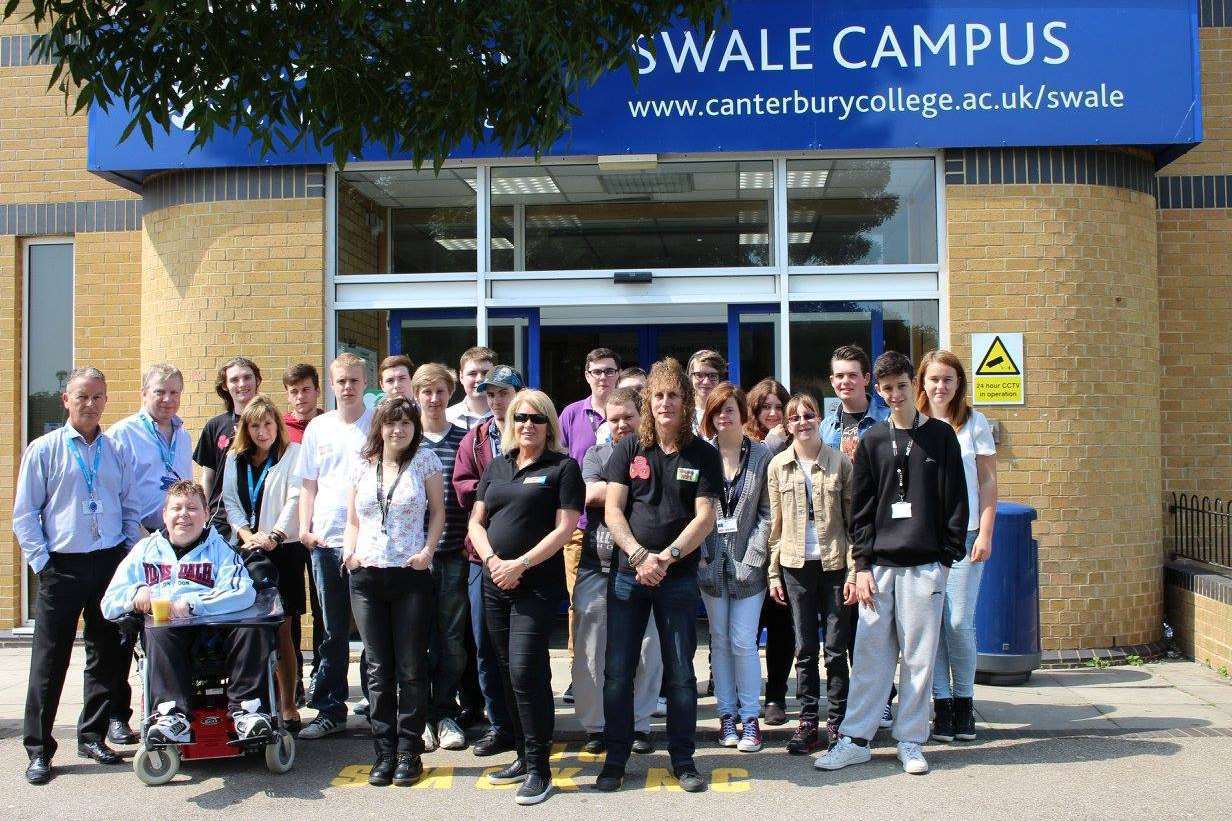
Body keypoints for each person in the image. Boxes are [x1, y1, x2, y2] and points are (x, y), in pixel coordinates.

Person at [815, 351, 967, 776]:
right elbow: (860, 512)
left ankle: (911, 741)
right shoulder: (874, 441)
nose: (896, 394)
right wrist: (860, 565)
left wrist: (947, 558)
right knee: (869, 656)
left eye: (902, 386)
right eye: (888, 388)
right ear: (878, 391)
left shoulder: (939, 436)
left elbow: (956, 501)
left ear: (911, 387)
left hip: (925, 566)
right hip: (878, 568)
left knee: (918, 658)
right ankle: (856, 739)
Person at [598, 358, 721, 794]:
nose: (666, 402)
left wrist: (665, 558)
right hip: (629, 575)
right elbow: (613, 509)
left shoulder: (702, 454)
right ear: (648, 402)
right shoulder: (629, 449)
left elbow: (704, 517)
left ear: (686, 401)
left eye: (674, 395)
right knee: (618, 671)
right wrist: (637, 555)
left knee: (680, 672)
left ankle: (684, 759)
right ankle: (615, 759)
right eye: (658, 395)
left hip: (678, 576)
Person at [14, 367, 142, 783]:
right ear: (65, 400)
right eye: (82, 396)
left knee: (106, 654)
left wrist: (126, 551)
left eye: (98, 396)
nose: (90, 404)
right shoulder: (44, 449)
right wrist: (43, 564)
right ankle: (39, 749)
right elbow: (25, 514)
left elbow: (127, 505)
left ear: (106, 401)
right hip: (61, 566)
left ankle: (92, 735)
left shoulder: (115, 449)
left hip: (106, 562)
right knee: (49, 661)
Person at [468, 390, 583, 805]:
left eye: (536, 419)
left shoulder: (563, 468)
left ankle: (540, 768)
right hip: (493, 581)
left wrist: (519, 564)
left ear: (549, 424)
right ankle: (521, 754)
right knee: (503, 669)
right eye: (520, 418)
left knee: (525, 671)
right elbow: (476, 522)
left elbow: (565, 529)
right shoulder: (497, 466)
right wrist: (494, 561)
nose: (527, 425)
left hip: (535, 584)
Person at [101, 481, 271, 746]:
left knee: (250, 625)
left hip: (216, 637)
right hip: (168, 638)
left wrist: (193, 604)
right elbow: (109, 602)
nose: (183, 515)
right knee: (160, 626)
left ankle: (247, 712)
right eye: (176, 508)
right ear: (164, 514)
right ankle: (172, 717)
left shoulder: (221, 550)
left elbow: (243, 592)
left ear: (206, 513)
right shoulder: (144, 551)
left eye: (192, 508)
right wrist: (135, 595)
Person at [342, 397, 445, 786]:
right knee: (377, 668)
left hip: (410, 573)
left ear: (415, 427)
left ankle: (408, 750)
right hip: (366, 575)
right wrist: (348, 553)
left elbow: (437, 512)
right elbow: (353, 518)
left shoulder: (425, 462)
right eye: (390, 423)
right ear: (379, 426)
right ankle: (383, 751)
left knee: (411, 667)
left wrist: (427, 551)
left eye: (405, 423)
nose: (397, 430)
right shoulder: (361, 463)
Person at [106, 362, 194, 745]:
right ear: (144, 393)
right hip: (137, 543)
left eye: (174, 392)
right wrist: (139, 541)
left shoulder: (183, 434)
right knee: (125, 636)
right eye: (159, 391)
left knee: (169, 625)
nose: (167, 399)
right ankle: (116, 715)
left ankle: (173, 707)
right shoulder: (123, 434)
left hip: (175, 544)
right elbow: (118, 496)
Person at [573, 387, 662, 756]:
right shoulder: (595, 454)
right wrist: (632, 491)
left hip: (647, 565)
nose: (622, 424)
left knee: (646, 647)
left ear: (642, 417)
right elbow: (588, 494)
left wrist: (614, 491)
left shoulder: (657, 454)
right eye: (614, 419)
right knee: (592, 649)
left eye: (629, 417)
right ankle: (596, 727)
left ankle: (640, 724)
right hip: (598, 563)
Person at [916, 350, 998, 743]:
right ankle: (942, 706)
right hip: (924, 538)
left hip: (966, 535)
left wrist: (986, 532)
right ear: (923, 382)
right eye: (934, 379)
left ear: (958, 384)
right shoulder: (914, 423)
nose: (940, 386)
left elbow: (987, 482)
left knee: (959, 621)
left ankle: (965, 704)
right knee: (933, 624)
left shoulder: (973, 423)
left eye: (948, 379)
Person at [767, 393, 855, 755]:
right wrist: (773, 573)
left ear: (820, 418)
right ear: (787, 425)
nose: (802, 421)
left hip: (834, 563)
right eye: (795, 417)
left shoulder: (840, 463)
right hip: (795, 565)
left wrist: (854, 569)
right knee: (804, 647)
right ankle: (807, 722)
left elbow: (852, 523)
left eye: (809, 415)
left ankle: (837, 722)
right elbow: (775, 524)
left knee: (835, 649)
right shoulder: (778, 466)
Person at [297, 352, 374, 740]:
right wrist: (305, 529)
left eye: (354, 381)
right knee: (333, 630)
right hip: (326, 541)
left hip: (368, 544)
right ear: (332, 384)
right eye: (341, 381)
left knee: (373, 630)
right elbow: (307, 483)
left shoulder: (376, 423)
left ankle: (376, 709)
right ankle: (330, 710)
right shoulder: (318, 428)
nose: (347, 387)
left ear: (365, 383)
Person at [222, 395, 307, 732]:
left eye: (268, 424)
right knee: (250, 628)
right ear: (246, 428)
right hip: (248, 550)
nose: (262, 431)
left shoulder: (292, 455)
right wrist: (246, 535)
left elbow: (295, 498)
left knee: (283, 628)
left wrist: (273, 533)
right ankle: (252, 702)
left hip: (283, 548)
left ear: (278, 425)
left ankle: (288, 705)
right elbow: (230, 500)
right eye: (255, 425)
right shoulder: (235, 459)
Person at [820, 344, 894, 727]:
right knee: (843, 627)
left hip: (878, 530)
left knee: (874, 625)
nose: (845, 382)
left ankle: (881, 698)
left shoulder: (887, 419)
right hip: (836, 535)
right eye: (838, 376)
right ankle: (851, 701)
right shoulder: (824, 426)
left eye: (852, 374)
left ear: (867, 379)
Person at [452, 365, 525, 757]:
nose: (496, 400)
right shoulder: (476, 438)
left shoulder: (534, 430)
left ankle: (528, 723)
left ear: (518, 393)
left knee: (524, 647)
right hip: (482, 556)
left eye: (503, 392)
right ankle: (500, 725)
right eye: (490, 394)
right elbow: (462, 483)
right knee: (485, 644)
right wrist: (496, 491)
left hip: (527, 557)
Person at [698, 383, 772, 753]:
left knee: (743, 642)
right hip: (710, 566)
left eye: (730, 409)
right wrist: (703, 555)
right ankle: (727, 715)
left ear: (743, 413)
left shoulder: (762, 456)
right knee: (720, 641)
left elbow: (768, 513)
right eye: (716, 410)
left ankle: (750, 718)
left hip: (749, 568)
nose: (723, 416)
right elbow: (693, 512)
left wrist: (753, 558)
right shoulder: (700, 456)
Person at [557, 347, 621, 703]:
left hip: (624, 529)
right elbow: (565, 470)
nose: (603, 377)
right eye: (596, 371)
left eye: (609, 371)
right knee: (579, 605)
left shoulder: (630, 414)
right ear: (586, 375)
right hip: (580, 527)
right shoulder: (571, 414)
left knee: (619, 603)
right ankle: (577, 671)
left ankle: (613, 669)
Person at [413, 363, 470, 751]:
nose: (434, 399)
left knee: (451, 640)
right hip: (411, 559)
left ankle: (445, 710)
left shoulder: (465, 440)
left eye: (440, 392)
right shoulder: (404, 439)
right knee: (414, 640)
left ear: (450, 394)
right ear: (416, 395)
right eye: (427, 392)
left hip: (453, 554)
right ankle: (419, 717)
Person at [743, 376, 794, 726]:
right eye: (766, 407)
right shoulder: (744, 443)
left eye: (779, 407)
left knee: (781, 625)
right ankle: (741, 695)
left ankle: (776, 694)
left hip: (785, 547)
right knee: (744, 629)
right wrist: (771, 447)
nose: (773, 413)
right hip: (748, 548)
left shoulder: (800, 442)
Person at [282, 363, 325, 703]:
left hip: (325, 529)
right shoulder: (280, 430)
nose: (300, 397)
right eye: (294, 391)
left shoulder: (329, 426)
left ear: (317, 391)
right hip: (289, 534)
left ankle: (321, 675)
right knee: (293, 609)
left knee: (324, 606)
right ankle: (292, 679)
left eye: (306, 389)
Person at [195, 357, 262, 540]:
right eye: (234, 379)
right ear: (225, 386)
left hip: (263, 519)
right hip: (222, 520)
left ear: (257, 380)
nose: (242, 384)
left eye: (247, 377)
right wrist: (203, 514)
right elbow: (208, 477)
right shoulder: (215, 426)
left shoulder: (270, 424)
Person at [447, 346, 496, 429]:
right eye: (472, 373)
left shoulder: (509, 417)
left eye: (485, 373)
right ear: (461, 377)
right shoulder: (448, 418)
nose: (479, 379)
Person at [686, 350, 727, 430]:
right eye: (699, 375)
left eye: (713, 376)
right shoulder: (681, 413)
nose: (706, 382)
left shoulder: (728, 412)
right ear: (690, 377)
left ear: (720, 379)